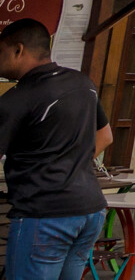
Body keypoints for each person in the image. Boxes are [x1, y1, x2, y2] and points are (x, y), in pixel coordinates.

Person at [0, 18, 112, 280]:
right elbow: (105, 136)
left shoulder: (17, 99)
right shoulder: (82, 83)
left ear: (18, 50)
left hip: (44, 216)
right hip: (90, 211)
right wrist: (69, 165)